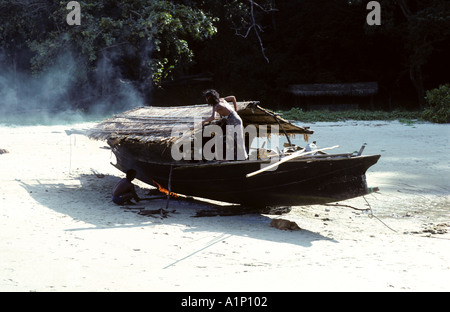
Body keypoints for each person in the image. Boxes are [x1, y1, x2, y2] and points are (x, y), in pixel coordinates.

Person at [202, 89, 248, 160]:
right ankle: (235, 157)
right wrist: (235, 110)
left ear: (209, 98)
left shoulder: (216, 106)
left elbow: (213, 117)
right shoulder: (222, 99)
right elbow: (233, 98)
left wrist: (203, 121)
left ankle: (244, 158)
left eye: (207, 98)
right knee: (232, 139)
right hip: (234, 118)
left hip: (233, 120)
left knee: (238, 139)